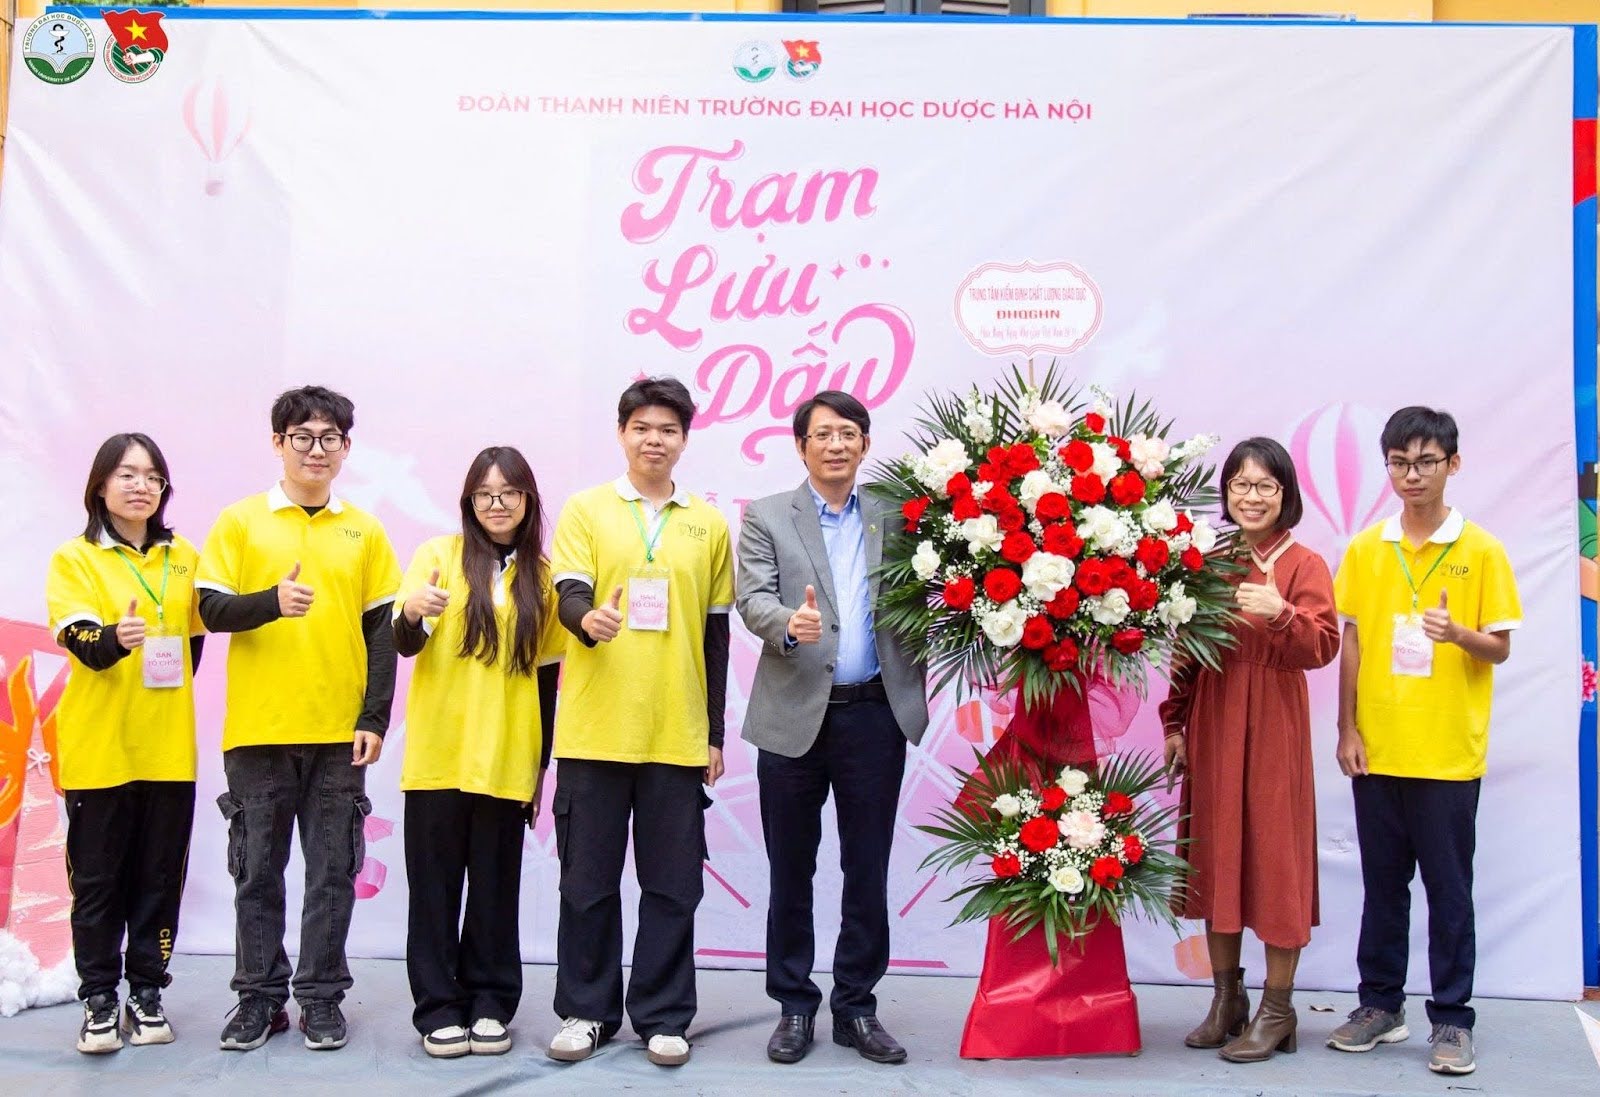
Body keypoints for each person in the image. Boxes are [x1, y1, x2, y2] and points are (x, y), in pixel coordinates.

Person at [195, 385, 402, 1052]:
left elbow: (382, 632)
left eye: (329, 438)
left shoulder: (364, 530)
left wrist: (374, 716)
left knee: (333, 873)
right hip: (257, 731)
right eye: (303, 437)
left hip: (339, 734)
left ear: (346, 447)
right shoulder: (240, 521)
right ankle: (259, 999)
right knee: (256, 872)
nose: (317, 449)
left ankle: (321, 998)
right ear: (278, 442)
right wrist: (271, 601)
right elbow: (210, 610)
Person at [734, 391, 929, 1066]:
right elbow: (751, 597)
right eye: (822, 434)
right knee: (791, 868)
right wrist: (788, 623)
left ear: (865, 444)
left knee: (866, 867)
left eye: (848, 433)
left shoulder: (900, 516)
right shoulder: (767, 515)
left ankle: (856, 1007)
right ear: (801, 446)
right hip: (792, 715)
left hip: (874, 714)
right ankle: (793, 1004)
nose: (836, 444)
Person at [544, 376, 732, 1069]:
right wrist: (586, 619)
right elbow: (568, 591)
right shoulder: (587, 508)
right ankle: (585, 1010)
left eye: (668, 429)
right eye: (642, 427)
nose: (655, 440)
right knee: (587, 883)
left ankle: (663, 1015)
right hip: (594, 731)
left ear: (684, 438)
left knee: (673, 885)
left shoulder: (707, 523)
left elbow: (715, 636)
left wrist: (713, 733)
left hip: (675, 734)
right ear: (622, 433)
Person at [1327, 407, 1519, 1077]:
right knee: (1382, 888)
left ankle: (1453, 1017)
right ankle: (1380, 1006)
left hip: (1447, 752)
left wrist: (1457, 634)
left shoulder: (1482, 550)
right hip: (1377, 748)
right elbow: (1352, 640)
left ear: (1452, 464)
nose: (1412, 474)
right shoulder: (1366, 548)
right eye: (1400, 462)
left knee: (1449, 891)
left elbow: (1499, 647)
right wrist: (1347, 727)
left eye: (1426, 461)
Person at [1160, 437, 1339, 1063]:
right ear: (1227, 492)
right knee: (1217, 855)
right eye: (1241, 484)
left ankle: (1278, 1009)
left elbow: (1323, 647)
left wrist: (1282, 611)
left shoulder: (1306, 564)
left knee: (1275, 858)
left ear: (1285, 494)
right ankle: (1226, 1000)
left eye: (1265, 485)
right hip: (1213, 721)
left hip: (1274, 726)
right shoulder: (1209, 562)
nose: (1252, 496)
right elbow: (1187, 652)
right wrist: (1174, 725)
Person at [393, 446, 563, 1058]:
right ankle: (438, 1007)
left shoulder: (543, 578)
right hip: (439, 756)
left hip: (507, 757)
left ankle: (491, 1001)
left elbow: (546, 679)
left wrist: (539, 767)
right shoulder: (438, 556)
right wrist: (415, 612)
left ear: (527, 501)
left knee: (495, 888)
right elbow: (405, 640)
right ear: (469, 501)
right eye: (485, 494)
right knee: (433, 889)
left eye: (508, 493)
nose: (496, 504)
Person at [46, 433, 205, 1054]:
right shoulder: (75, 558)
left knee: (159, 879)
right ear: (100, 485)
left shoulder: (184, 556)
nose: (142, 486)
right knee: (98, 884)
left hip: (168, 750)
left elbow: (194, 643)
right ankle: (99, 1000)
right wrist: (117, 638)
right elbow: (82, 642)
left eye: (153, 476)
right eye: (127, 474)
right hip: (99, 751)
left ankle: (146, 991)